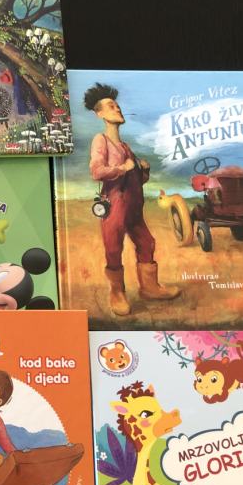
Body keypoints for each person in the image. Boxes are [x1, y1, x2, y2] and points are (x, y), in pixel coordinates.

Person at [84, 82, 180, 316]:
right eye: (110, 106)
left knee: (147, 243)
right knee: (113, 249)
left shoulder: (126, 147)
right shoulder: (101, 140)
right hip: (114, 205)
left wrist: (143, 170)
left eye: (117, 105)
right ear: (100, 114)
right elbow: (97, 171)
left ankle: (150, 288)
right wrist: (123, 168)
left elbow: (136, 181)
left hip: (134, 207)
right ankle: (117, 293)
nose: (117, 108)